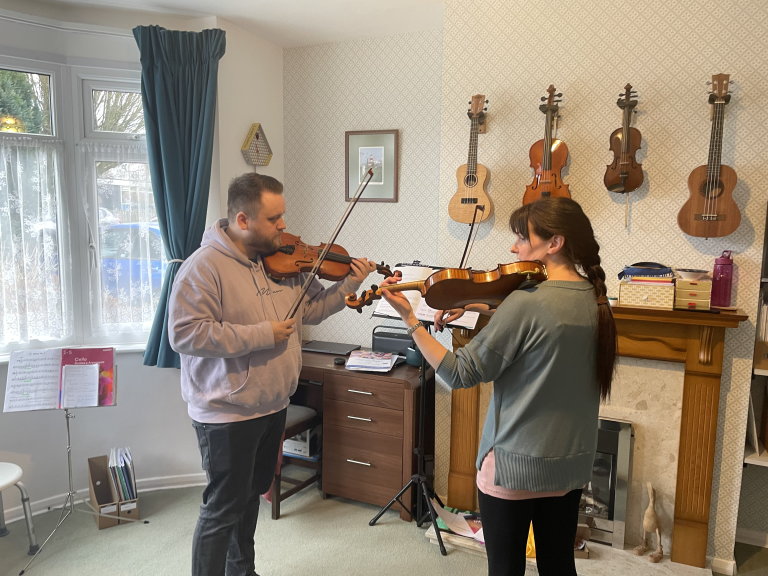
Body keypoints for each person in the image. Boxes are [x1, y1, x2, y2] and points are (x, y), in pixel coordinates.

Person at [379, 197, 616, 576]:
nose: (514, 247)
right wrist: (480, 306)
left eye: (522, 237)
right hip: (570, 465)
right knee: (559, 565)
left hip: (514, 467)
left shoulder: (525, 303)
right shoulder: (596, 298)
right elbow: (541, 332)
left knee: (505, 569)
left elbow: (460, 373)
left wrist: (411, 320)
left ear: (554, 243)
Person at [168, 173, 377, 576]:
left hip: (272, 403)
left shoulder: (281, 260)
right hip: (227, 412)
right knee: (222, 509)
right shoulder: (203, 267)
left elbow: (311, 309)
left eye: (283, 216)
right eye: (274, 218)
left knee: (249, 500)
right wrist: (262, 335)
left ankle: (242, 572)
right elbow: (185, 333)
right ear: (243, 220)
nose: (284, 227)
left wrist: (351, 280)